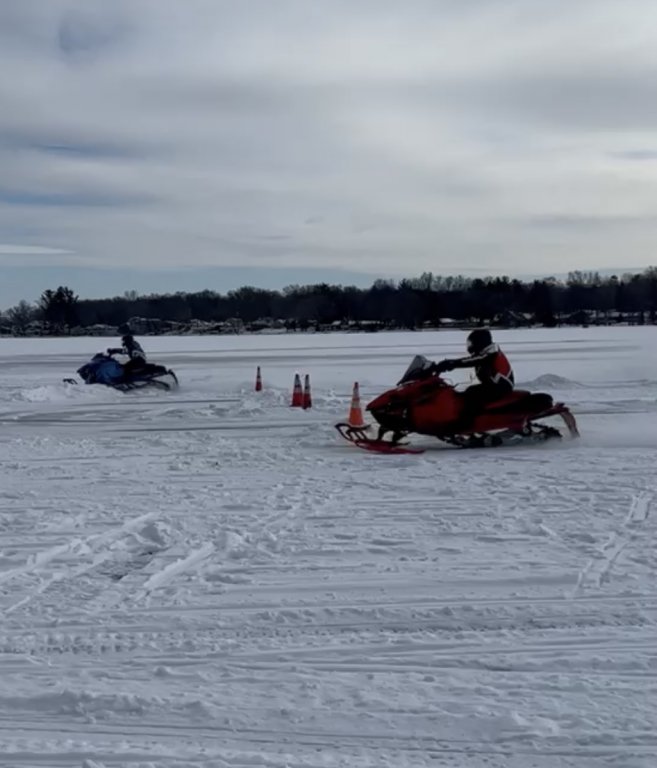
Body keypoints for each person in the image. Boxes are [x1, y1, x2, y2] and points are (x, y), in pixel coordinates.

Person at [432, 328, 514, 429]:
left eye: (471, 343)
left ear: (479, 342)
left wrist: (451, 363)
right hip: (495, 385)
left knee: (471, 395)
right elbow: (475, 359)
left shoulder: (490, 353)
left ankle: (468, 425)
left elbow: (474, 360)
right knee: (466, 393)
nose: (470, 346)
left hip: (500, 387)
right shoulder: (487, 351)